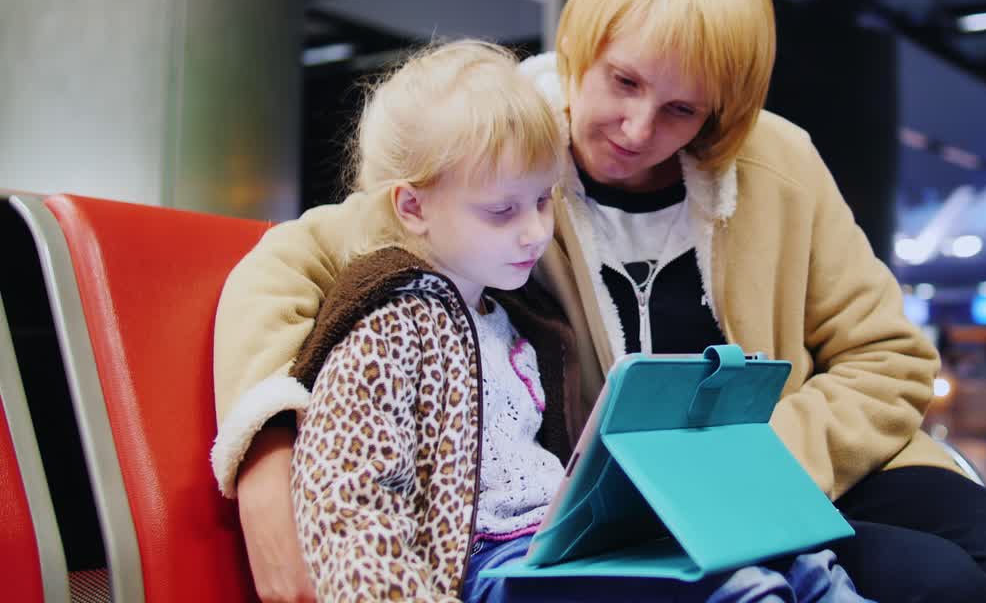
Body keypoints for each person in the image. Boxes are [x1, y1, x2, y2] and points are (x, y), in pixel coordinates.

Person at [212, 0, 986, 603]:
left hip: (809, 473)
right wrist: (267, 458)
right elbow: (283, 267)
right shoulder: (505, 158)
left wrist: (757, 462)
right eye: (623, 82)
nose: (640, 132)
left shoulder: (777, 163)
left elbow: (891, 359)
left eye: (684, 111)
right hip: (637, 519)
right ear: (582, 46)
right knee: (935, 588)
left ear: (723, 114)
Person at [276, 39, 867, 602]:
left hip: (559, 544)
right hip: (485, 564)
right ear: (413, 207)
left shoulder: (513, 316)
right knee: (735, 591)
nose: (535, 231)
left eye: (541, 201)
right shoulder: (389, 320)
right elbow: (347, 498)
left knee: (803, 560)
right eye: (502, 210)